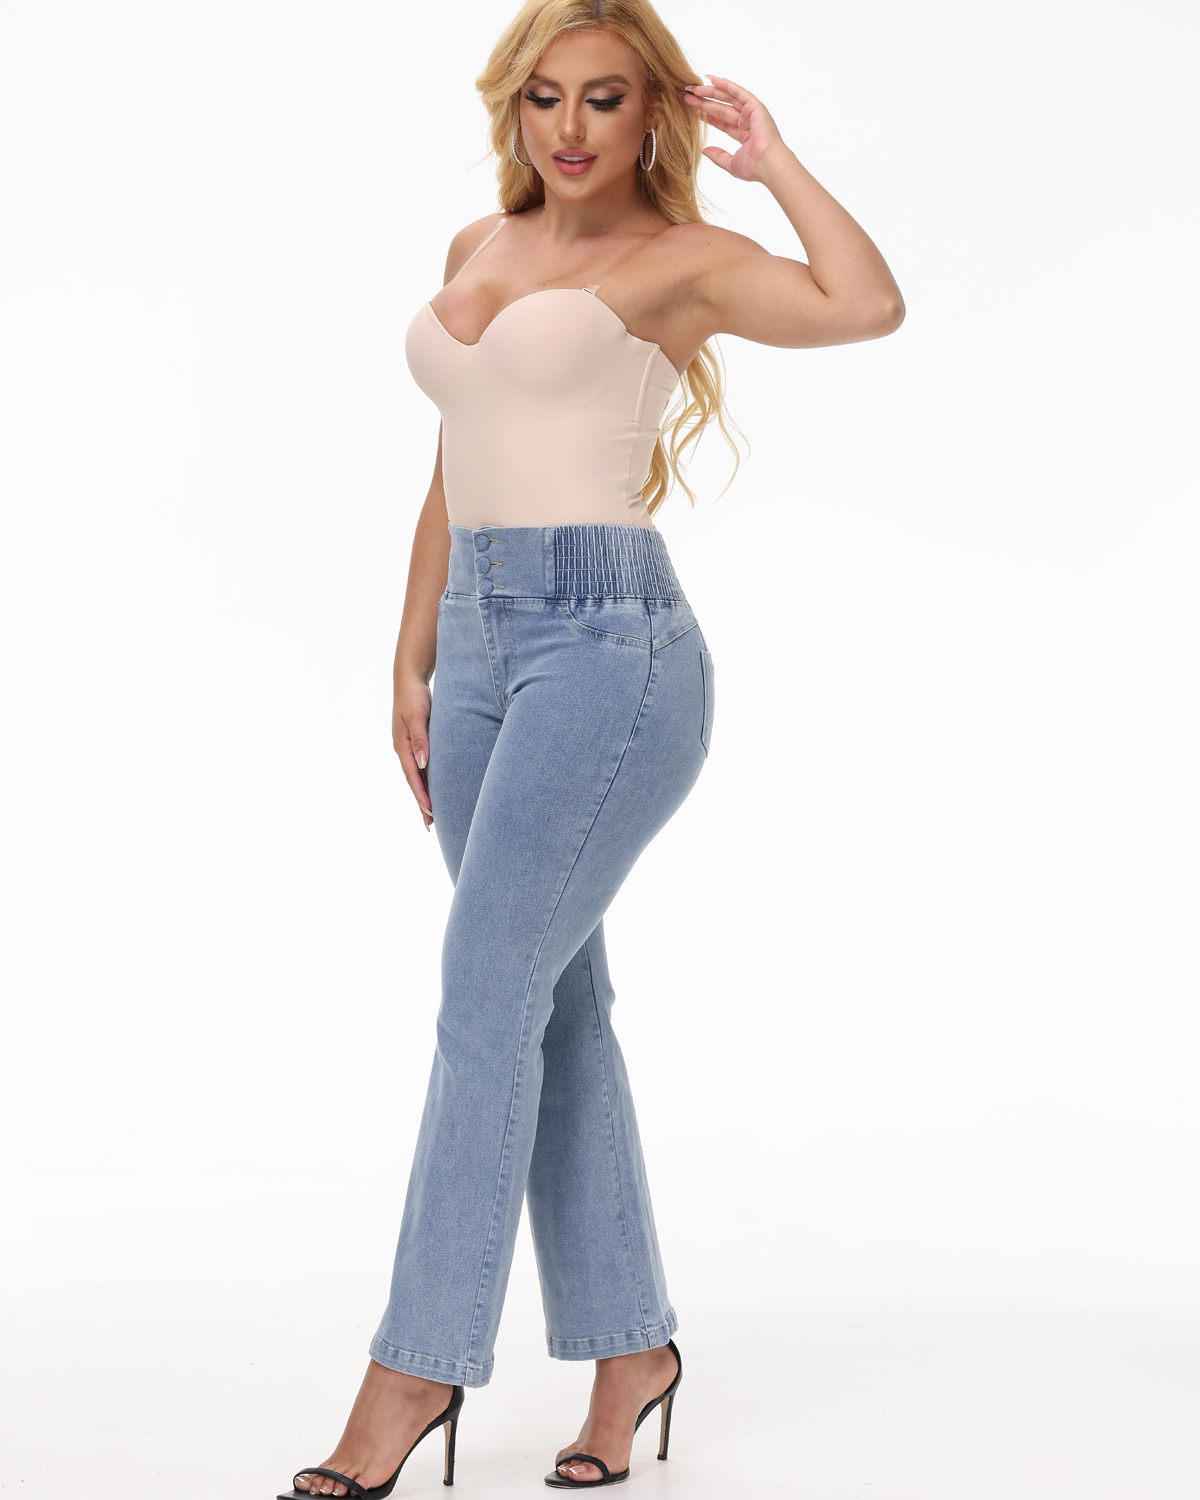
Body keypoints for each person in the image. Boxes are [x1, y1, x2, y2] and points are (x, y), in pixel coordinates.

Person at [278, 0, 902, 1494]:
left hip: (610, 653)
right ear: (515, 106)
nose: (570, 127)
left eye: (606, 98)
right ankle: (634, 1353)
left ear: (651, 115)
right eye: (546, 96)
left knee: (484, 996)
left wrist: (775, 158)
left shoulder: (678, 263)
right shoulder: (475, 249)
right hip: (480, 651)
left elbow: (866, 305)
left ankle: (414, 1369)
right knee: (554, 1010)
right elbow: (455, 458)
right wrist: (413, 650)